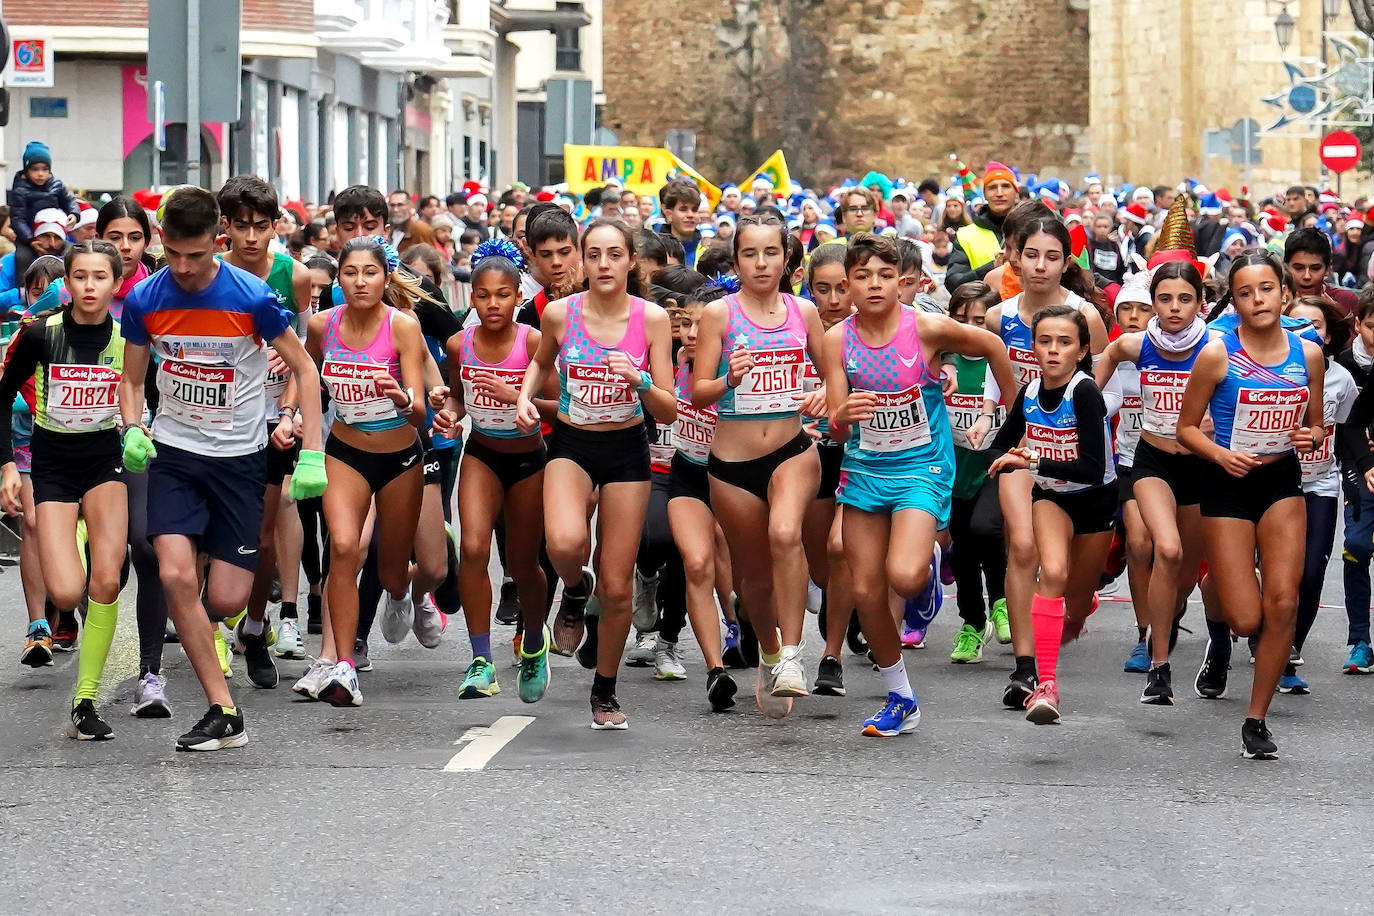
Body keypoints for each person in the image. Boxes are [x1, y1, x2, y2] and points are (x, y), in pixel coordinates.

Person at [117, 186, 326, 751]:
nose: (184, 268)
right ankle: (222, 709)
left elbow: (307, 370)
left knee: (229, 600)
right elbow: (133, 379)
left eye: (198, 255)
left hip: (239, 457)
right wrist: (133, 426)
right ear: (163, 242)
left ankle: (218, 611)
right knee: (174, 574)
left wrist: (310, 453)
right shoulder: (144, 301)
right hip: (176, 456)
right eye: (175, 255)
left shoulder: (253, 297)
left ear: (219, 241)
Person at [822, 233, 1014, 735]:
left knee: (902, 577)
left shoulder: (924, 328)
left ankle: (926, 568)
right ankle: (900, 695)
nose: (874, 285)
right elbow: (838, 425)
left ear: (902, 282)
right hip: (865, 469)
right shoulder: (836, 340)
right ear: (848, 285)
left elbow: (992, 344)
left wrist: (1016, 416)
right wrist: (840, 414)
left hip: (921, 467)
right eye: (862, 277)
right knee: (866, 591)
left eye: (885, 276)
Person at [515, 219, 676, 729]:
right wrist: (523, 398)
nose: (604, 264)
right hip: (572, 443)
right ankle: (573, 587)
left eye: (614, 255)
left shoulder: (652, 320)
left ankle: (604, 691)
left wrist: (641, 380)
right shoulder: (561, 314)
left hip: (627, 448)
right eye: (595, 255)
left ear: (631, 261)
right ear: (583, 262)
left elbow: (669, 409)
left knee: (619, 585)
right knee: (563, 543)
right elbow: (540, 364)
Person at [1176, 249, 1325, 760]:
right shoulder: (1218, 354)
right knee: (1245, 618)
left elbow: (1316, 426)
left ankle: (1256, 719)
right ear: (1233, 301)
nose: (1257, 299)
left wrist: (1308, 435)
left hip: (1280, 479)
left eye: (1266, 288)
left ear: (1284, 293)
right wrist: (1223, 455)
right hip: (1226, 483)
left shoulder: (1308, 354)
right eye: (1245, 292)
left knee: (1282, 600)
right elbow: (1185, 429)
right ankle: (1227, 618)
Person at [968, 217, 1108, 710]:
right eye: (1032, 255)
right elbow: (993, 375)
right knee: (1022, 547)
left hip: (1072, 452)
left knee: (1065, 580)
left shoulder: (1085, 315)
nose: (1041, 265)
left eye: (1052, 256)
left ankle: (1072, 605)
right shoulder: (998, 315)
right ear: (1014, 256)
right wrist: (991, 425)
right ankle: (1027, 669)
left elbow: (1099, 379)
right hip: (1022, 447)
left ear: (1066, 262)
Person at [691, 211, 826, 718]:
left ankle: (792, 655)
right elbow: (700, 390)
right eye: (750, 253)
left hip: (791, 451)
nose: (762, 262)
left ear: (787, 257)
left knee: (786, 535)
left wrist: (822, 394)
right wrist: (730, 377)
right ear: (737, 259)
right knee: (752, 575)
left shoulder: (804, 312)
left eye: (771, 252)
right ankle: (769, 651)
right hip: (731, 463)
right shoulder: (719, 315)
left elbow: (836, 375)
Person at [0, 241, 127, 739]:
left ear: (116, 284)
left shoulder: (126, 337)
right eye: (80, 277)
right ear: (66, 283)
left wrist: (138, 426)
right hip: (51, 466)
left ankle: (86, 699)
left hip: (104, 463)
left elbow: (147, 391)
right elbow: (3, 394)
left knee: (108, 582)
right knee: (68, 591)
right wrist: (8, 466)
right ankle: (65, 569)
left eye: (100, 277)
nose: (90, 286)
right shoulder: (39, 334)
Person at [297, 236, 428, 707]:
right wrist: (293, 414)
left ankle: (405, 586)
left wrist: (401, 398)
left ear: (385, 278)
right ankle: (344, 665)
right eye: (350, 273)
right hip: (345, 450)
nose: (360, 281)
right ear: (338, 280)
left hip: (399, 457)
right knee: (345, 549)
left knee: (390, 570)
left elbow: (419, 411)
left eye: (369, 272)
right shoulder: (320, 325)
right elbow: (305, 376)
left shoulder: (402, 327)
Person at [434, 239, 557, 702]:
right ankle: (481, 660)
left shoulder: (532, 342)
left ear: (518, 297)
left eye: (502, 295)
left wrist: (517, 399)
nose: (492, 304)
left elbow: (562, 407)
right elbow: (458, 397)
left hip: (528, 460)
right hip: (482, 455)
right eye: (482, 295)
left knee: (524, 564)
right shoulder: (457, 344)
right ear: (471, 298)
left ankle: (533, 643)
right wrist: (449, 412)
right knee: (472, 547)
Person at [988, 305, 1117, 725]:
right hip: (1052, 498)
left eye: (1064, 342)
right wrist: (1003, 454)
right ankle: (1045, 686)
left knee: (1074, 609)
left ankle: (1082, 604)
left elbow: (1092, 468)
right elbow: (1003, 441)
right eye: (1044, 341)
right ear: (1033, 347)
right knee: (1053, 574)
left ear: (1081, 351)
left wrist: (1033, 461)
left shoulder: (1084, 392)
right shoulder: (1028, 392)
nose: (1053, 350)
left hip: (1095, 501)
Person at [1094, 262, 1209, 700]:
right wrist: (1082, 405)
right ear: (1153, 302)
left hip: (1202, 468)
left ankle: (1172, 610)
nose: (1174, 308)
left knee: (1182, 577)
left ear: (1200, 302)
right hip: (1151, 462)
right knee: (1166, 548)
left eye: (1184, 299)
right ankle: (1158, 666)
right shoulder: (1137, 344)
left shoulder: (1218, 347)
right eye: (1164, 299)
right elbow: (1106, 359)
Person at [216, 175, 314, 685]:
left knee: (265, 535)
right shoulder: (206, 273)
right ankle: (214, 625)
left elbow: (303, 355)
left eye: (262, 227)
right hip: (214, 417)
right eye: (241, 227)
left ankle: (255, 626)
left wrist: (294, 414)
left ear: (276, 226)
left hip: (274, 416)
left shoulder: (293, 276)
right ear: (224, 227)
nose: (252, 237)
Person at [1285, 296, 1355, 695]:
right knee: (1275, 575)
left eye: (1316, 325)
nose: (1307, 332)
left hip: (1320, 485)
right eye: (1297, 325)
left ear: (1328, 335)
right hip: (1274, 485)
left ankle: (1290, 649)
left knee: (1312, 572)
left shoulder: (1342, 380)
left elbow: (1344, 432)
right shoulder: (1271, 372)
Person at [944, 281, 1011, 661]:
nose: (971, 328)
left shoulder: (999, 360)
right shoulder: (942, 360)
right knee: (962, 550)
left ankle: (1001, 602)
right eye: (961, 319)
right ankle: (972, 624)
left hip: (994, 462)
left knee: (986, 531)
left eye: (981, 321)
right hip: (954, 466)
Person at [944, 162, 1017, 291]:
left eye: (1005, 186)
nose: (999, 193)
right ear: (985, 193)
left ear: (1016, 192)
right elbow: (953, 283)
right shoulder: (965, 235)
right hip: (983, 309)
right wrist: (991, 267)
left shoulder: (1033, 229)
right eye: (992, 187)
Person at [9, 141, 79, 258]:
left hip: (56, 235)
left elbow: (69, 201)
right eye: (35, 169)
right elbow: (18, 219)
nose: (40, 174)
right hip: (30, 239)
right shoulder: (20, 190)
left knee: (72, 255)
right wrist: (30, 239)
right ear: (26, 170)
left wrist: (74, 213)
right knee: (23, 258)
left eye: (45, 169)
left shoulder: (57, 185)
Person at [1285, 227, 1358, 320]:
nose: (1307, 276)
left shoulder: (1345, 300)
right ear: (1286, 267)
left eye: (1315, 268)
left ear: (1327, 269)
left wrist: (1337, 312)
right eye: (1298, 268)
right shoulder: (1277, 301)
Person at [659, 179, 704, 270]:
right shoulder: (654, 251)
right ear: (669, 214)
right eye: (683, 209)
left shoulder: (707, 251)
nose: (690, 215)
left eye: (694, 209)